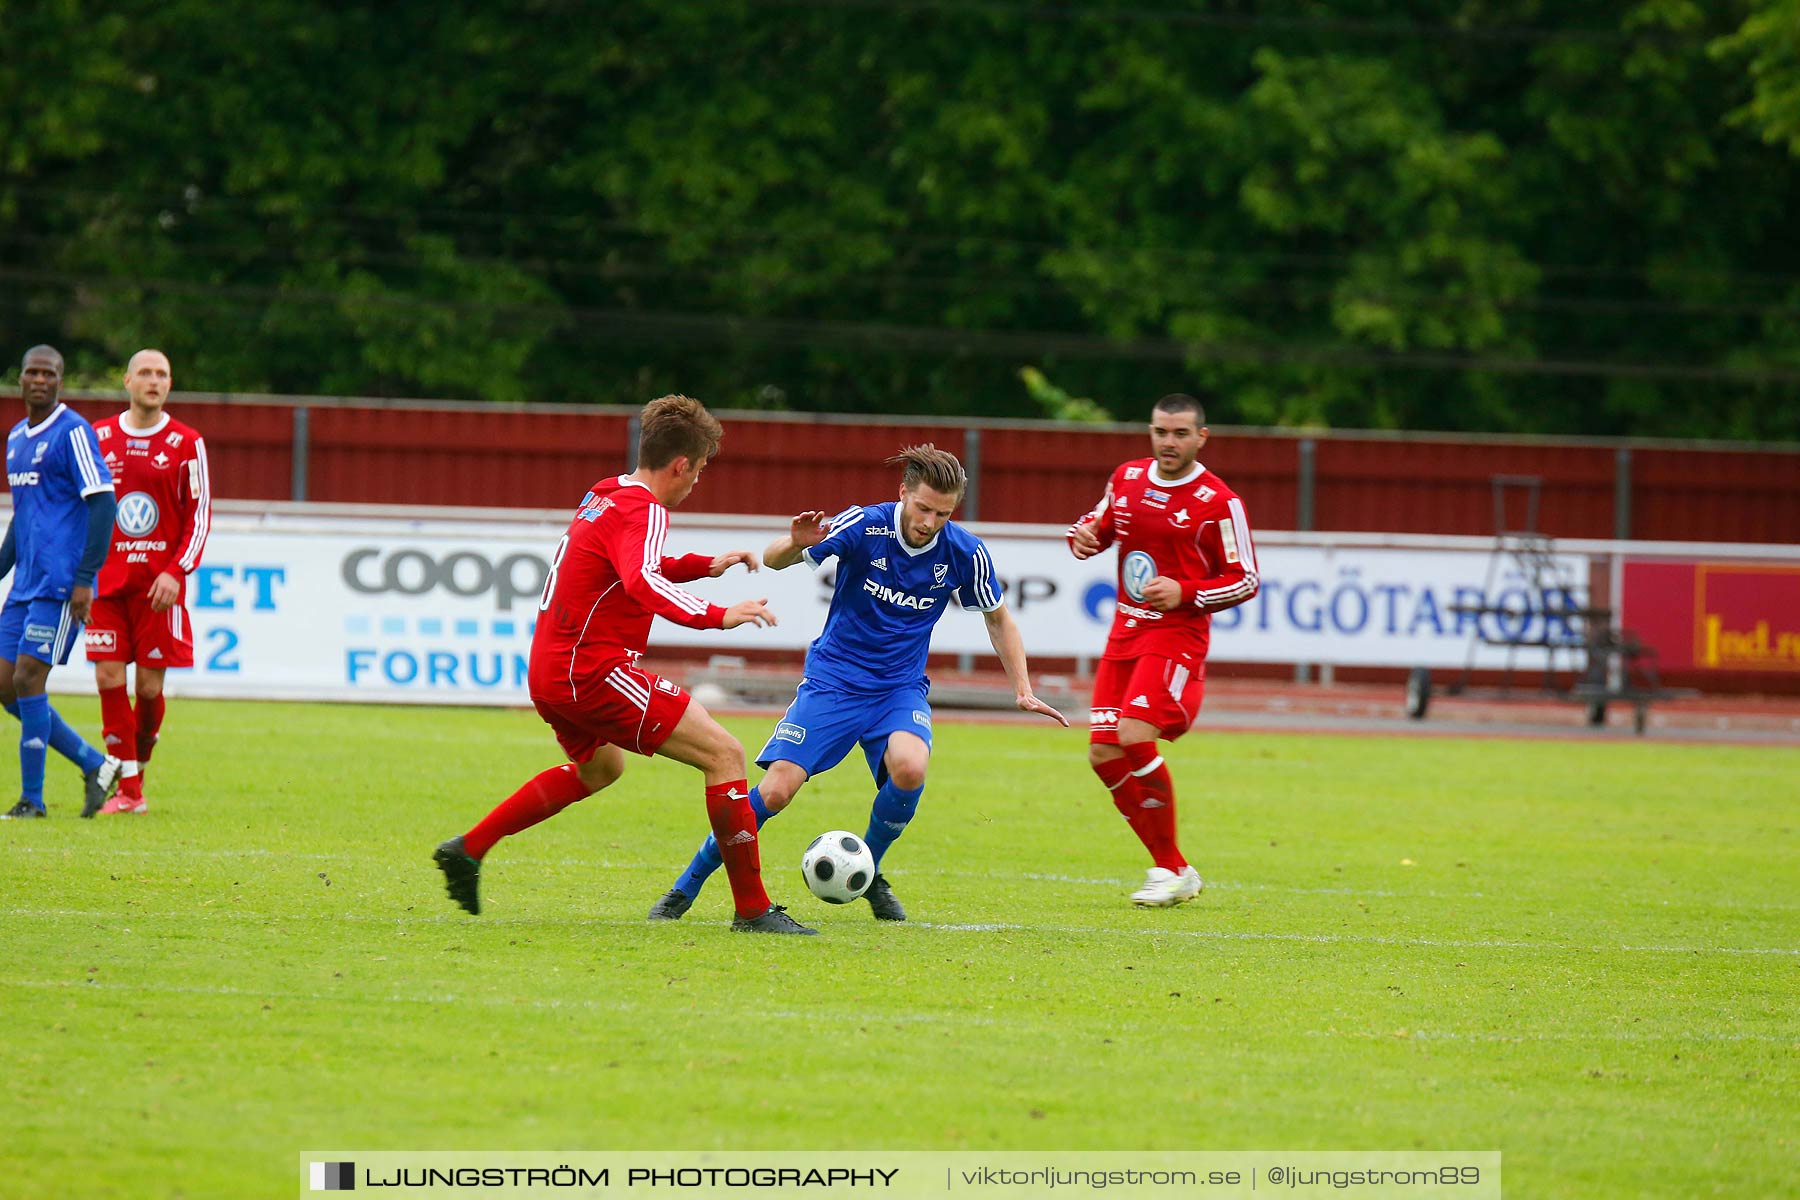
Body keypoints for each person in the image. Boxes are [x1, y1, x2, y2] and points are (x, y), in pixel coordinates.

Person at [432, 395, 813, 933]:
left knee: (602, 768)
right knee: (726, 754)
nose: (695, 482)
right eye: (699, 472)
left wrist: (707, 566)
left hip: (550, 670)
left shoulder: (606, 494)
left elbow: (632, 567)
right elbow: (641, 580)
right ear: (681, 465)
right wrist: (717, 615)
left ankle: (468, 849)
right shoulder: (646, 509)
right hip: (593, 670)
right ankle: (753, 910)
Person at [649, 444, 1068, 924]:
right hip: (834, 681)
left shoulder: (964, 552)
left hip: (898, 689)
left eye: (943, 513)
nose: (931, 522)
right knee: (777, 790)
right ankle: (686, 887)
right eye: (924, 508)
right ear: (903, 492)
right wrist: (794, 542)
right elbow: (775, 559)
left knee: (910, 768)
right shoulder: (864, 525)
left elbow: (999, 619)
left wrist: (1023, 687)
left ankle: (867, 869)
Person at [1067, 393, 1259, 906]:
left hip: (1176, 635)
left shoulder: (1220, 502)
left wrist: (1186, 592)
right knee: (1102, 752)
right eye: (1160, 432)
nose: (1168, 442)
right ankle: (1172, 868)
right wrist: (1082, 537)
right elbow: (1098, 525)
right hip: (1124, 632)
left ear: (1201, 437)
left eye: (1179, 434)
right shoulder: (1127, 478)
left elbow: (1246, 580)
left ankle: (1172, 869)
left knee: (1133, 735)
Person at [83, 349, 211, 814]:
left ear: (169, 385)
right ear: (127, 381)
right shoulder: (98, 439)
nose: (153, 381)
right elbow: (84, 509)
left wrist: (176, 572)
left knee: (150, 692)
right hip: (107, 584)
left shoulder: (185, 442)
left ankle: (136, 766)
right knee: (107, 676)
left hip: (159, 590)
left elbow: (199, 517)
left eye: (161, 374)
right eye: (145, 373)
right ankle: (130, 792)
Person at [0, 345, 123, 818]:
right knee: (5, 685)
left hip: (59, 584)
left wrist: (84, 579)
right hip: (25, 585)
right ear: (21, 380)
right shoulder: (15, 438)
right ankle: (95, 764)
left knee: (29, 676)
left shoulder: (74, 432)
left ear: (59, 382)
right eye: (31, 371)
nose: (38, 379)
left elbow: (103, 501)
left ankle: (32, 800)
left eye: (48, 373)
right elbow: (22, 517)